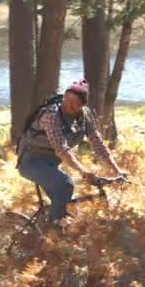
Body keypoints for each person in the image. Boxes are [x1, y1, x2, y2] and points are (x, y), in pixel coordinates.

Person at [16, 78, 127, 228]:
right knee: (66, 184)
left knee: (62, 199)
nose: (69, 106)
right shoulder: (51, 115)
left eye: (75, 104)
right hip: (31, 161)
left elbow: (97, 143)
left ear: (83, 106)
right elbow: (62, 148)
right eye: (67, 101)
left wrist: (117, 170)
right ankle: (52, 233)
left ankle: (47, 229)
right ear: (63, 97)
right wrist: (83, 171)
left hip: (52, 163)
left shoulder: (85, 116)